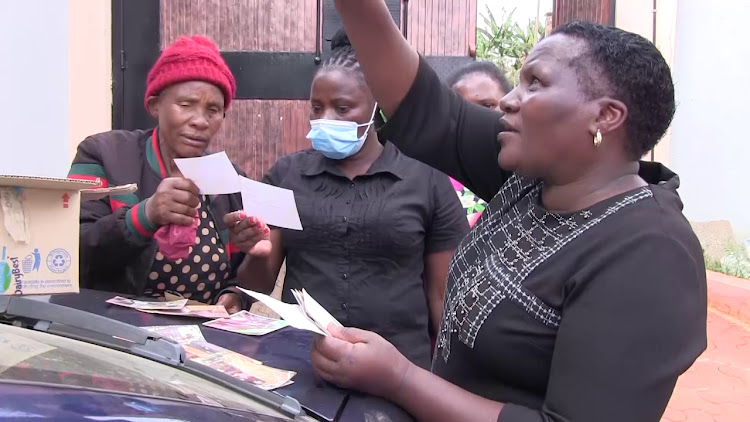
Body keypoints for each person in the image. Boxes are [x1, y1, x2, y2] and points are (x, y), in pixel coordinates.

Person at [308, 3, 708, 422]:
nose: (509, 100)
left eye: (535, 82)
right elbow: (423, 107)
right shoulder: (532, 178)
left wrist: (400, 379)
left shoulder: (651, 252)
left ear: (605, 116)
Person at [224, 29, 469, 368]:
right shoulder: (286, 176)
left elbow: (443, 298)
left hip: (398, 377)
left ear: (376, 106)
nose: (326, 119)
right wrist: (256, 252)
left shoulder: (425, 178)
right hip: (302, 366)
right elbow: (257, 284)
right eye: (316, 107)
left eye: (342, 108)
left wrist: (445, 381)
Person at [68, 35, 251, 312]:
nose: (200, 121)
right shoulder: (102, 154)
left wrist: (234, 295)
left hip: (199, 339)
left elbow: (239, 274)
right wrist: (145, 216)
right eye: (186, 104)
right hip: (116, 333)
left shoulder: (226, 180)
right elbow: (71, 250)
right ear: (155, 105)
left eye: (213, 110)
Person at [445, 61, 512, 227]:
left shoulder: (526, 177)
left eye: (487, 106)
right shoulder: (428, 176)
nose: (471, 117)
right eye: (461, 109)